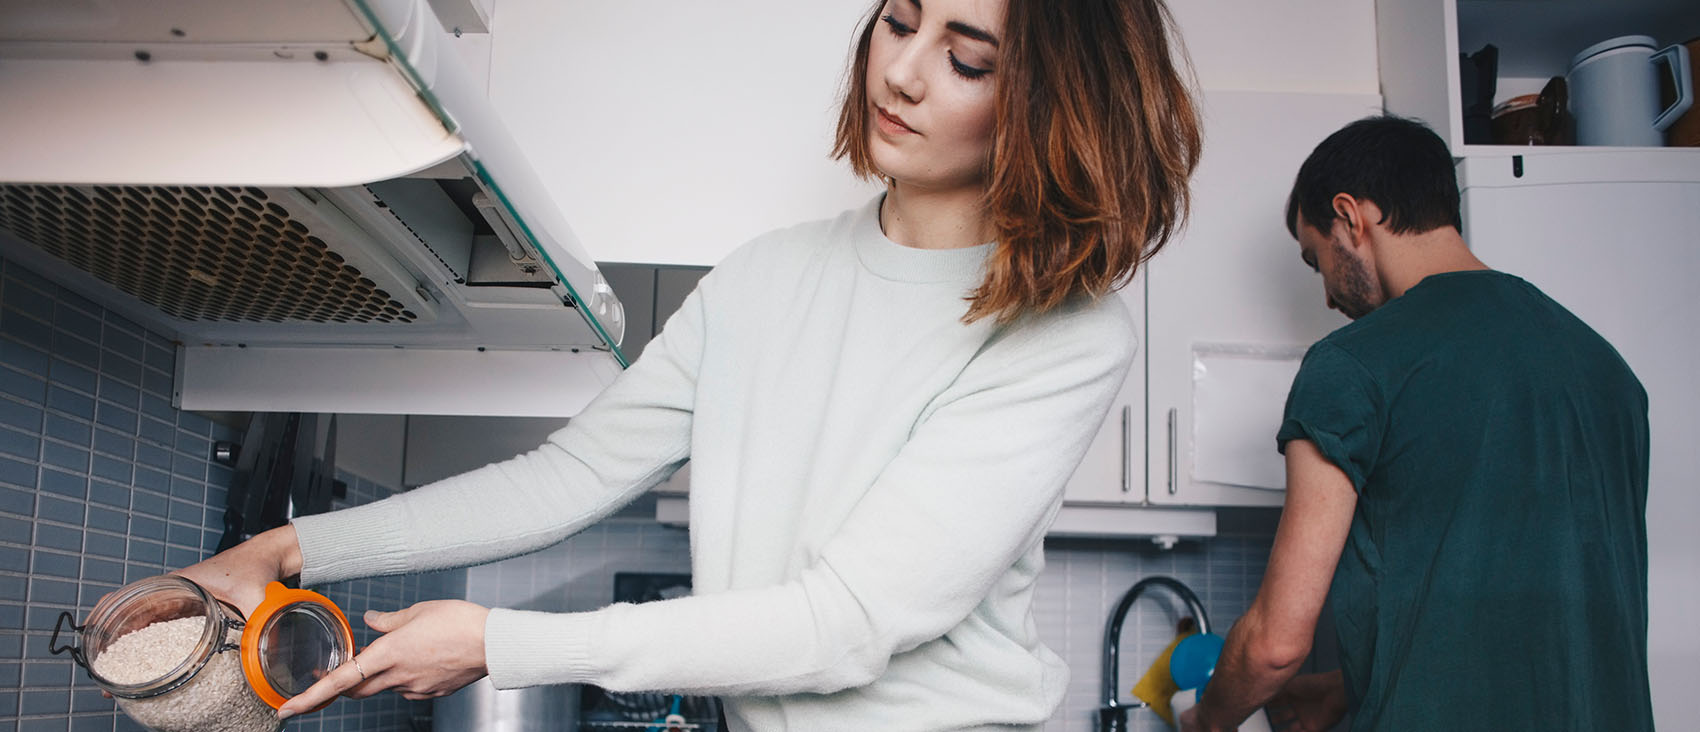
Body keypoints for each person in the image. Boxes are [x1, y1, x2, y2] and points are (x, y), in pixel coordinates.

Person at [178, 0, 1204, 729]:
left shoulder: (1062, 334)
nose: (900, 72)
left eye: (966, 58)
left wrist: (504, 643)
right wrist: (284, 551)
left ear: (1049, 104)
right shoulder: (764, 278)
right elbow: (567, 478)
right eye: (898, 20)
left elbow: (840, 626)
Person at [1179, 115, 1652, 732]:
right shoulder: (1609, 371)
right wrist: (1344, 688)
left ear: (1351, 217)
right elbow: (1528, 609)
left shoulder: (1353, 364)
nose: (1325, 297)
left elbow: (1276, 643)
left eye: (1314, 259)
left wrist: (1205, 721)